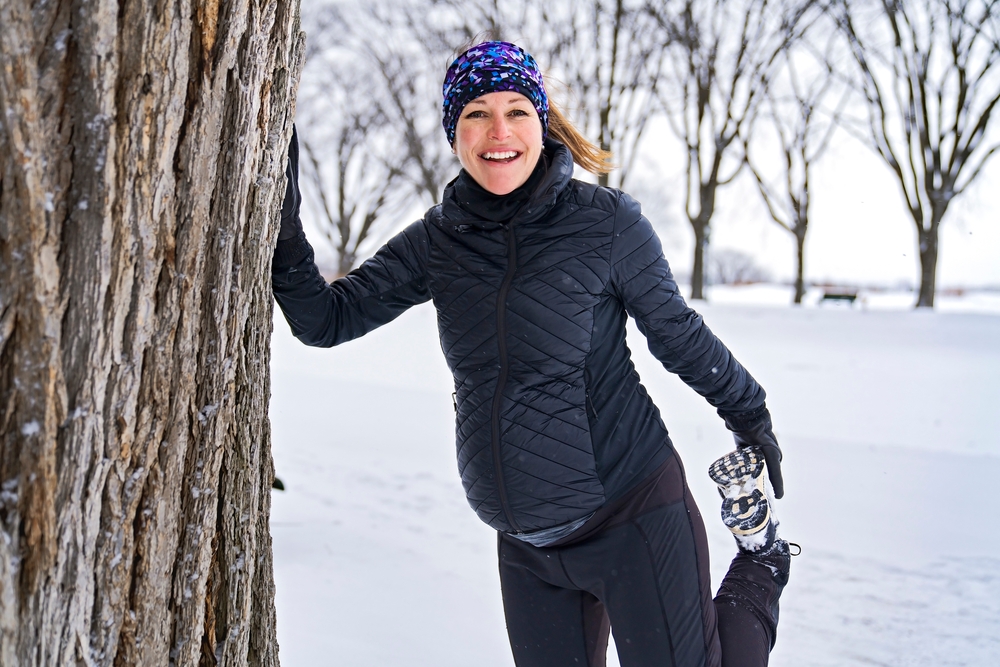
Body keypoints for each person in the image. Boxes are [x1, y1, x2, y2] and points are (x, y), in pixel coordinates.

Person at [273, 40, 794, 667]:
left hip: (633, 516)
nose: (499, 132)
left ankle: (761, 561)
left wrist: (750, 414)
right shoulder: (437, 243)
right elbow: (324, 320)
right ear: (454, 132)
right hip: (526, 546)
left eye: (517, 110)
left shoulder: (606, 225)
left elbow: (677, 333)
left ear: (540, 122)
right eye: (476, 114)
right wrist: (279, 205)